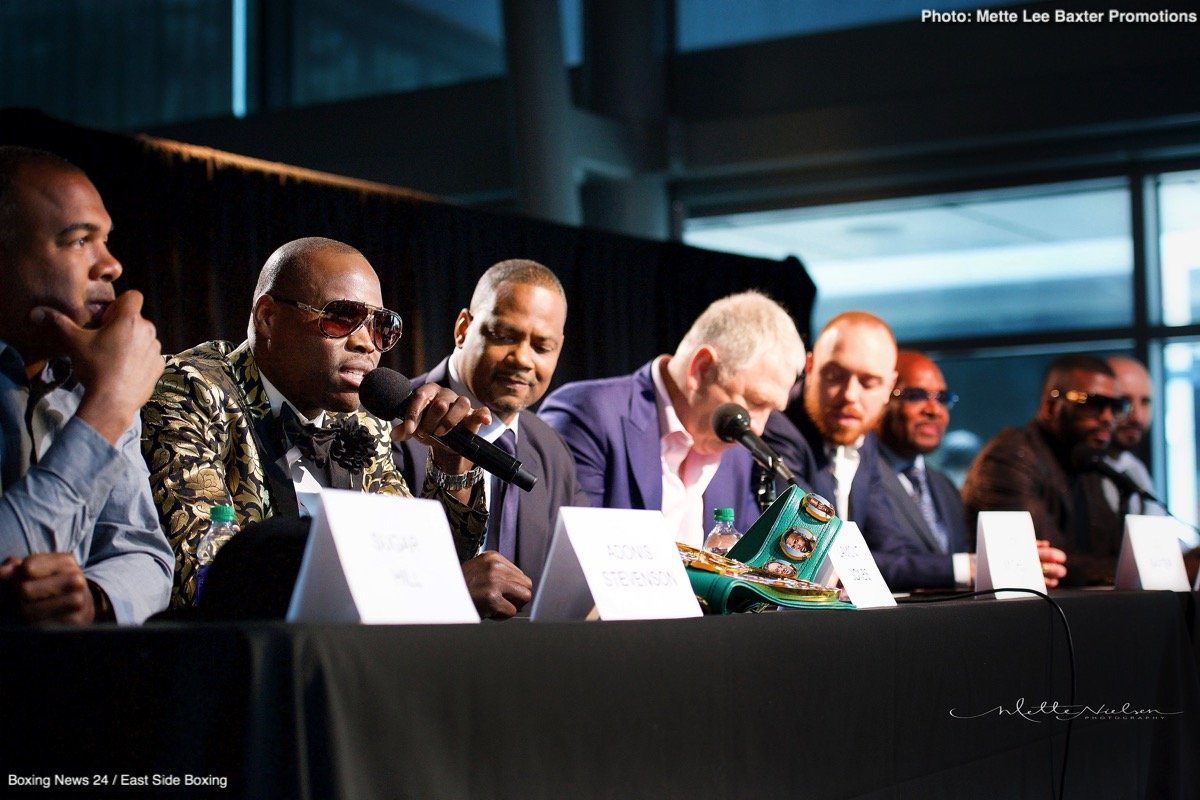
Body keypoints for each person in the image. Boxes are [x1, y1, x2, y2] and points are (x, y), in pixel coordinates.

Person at [142, 237, 531, 618]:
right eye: (341, 317)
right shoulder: (189, 391)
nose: (367, 344)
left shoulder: (361, 417)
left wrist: (450, 463)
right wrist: (444, 588)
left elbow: (417, 559)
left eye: (381, 326)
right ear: (268, 317)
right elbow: (205, 578)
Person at [0, 146, 173, 625]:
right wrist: (105, 411)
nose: (111, 265)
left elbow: (146, 554)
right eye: (78, 241)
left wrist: (93, 596)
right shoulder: (108, 390)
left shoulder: (92, 374)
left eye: (106, 240)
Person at [772, 315, 1066, 591]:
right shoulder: (778, 427)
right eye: (835, 375)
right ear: (809, 368)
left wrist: (987, 564)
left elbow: (891, 548)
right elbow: (813, 549)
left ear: (888, 386)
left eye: (868, 382)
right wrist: (970, 567)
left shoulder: (864, 438)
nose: (850, 395)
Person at [539, 291, 808, 545]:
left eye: (770, 411)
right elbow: (573, 558)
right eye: (754, 403)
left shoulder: (736, 456)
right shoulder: (588, 415)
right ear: (701, 369)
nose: (757, 428)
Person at [394, 259, 588, 590]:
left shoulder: (553, 449)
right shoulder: (392, 422)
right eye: (504, 336)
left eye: (542, 346)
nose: (523, 359)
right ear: (462, 329)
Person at [963, 354, 1126, 586]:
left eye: (1116, 407)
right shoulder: (1008, 458)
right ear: (1050, 407)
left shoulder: (1084, 461)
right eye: (1091, 404)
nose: (1108, 417)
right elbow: (1047, 560)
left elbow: (1108, 547)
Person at [1103, 355, 1165, 516]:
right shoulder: (1079, 474)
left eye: (1145, 402)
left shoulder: (1134, 468)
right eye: (1124, 402)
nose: (1137, 416)